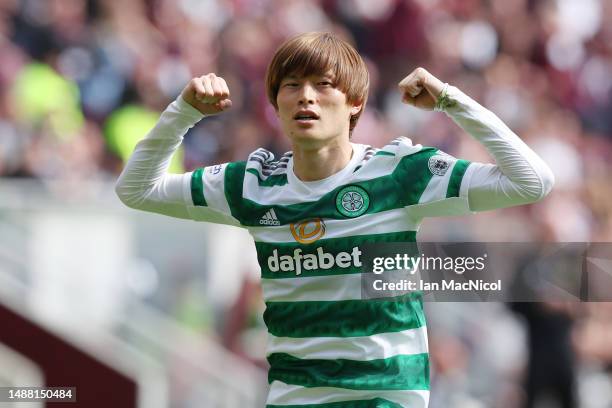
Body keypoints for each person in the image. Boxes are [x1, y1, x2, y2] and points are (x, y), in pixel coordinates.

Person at [116, 32, 554, 407]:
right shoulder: (252, 184)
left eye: (323, 85)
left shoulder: (399, 173)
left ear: (354, 103)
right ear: (277, 105)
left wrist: (450, 100)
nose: (306, 96)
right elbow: (136, 188)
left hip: (386, 398)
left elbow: (532, 181)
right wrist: (184, 112)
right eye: (291, 85)